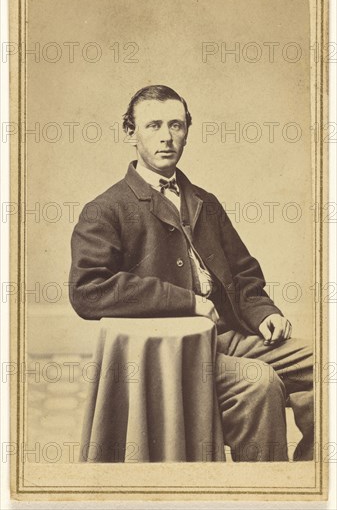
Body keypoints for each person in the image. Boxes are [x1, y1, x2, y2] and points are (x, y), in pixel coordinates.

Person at [69, 85, 313, 462]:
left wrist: (266, 313)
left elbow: (244, 273)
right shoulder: (105, 210)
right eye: (153, 126)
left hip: (231, 334)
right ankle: (262, 493)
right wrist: (188, 302)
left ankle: (314, 481)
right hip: (176, 352)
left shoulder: (205, 202)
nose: (166, 137)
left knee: (323, 361)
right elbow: (88, 290)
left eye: (176, 125)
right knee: (259, 384)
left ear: (187, 131)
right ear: (130, 133)